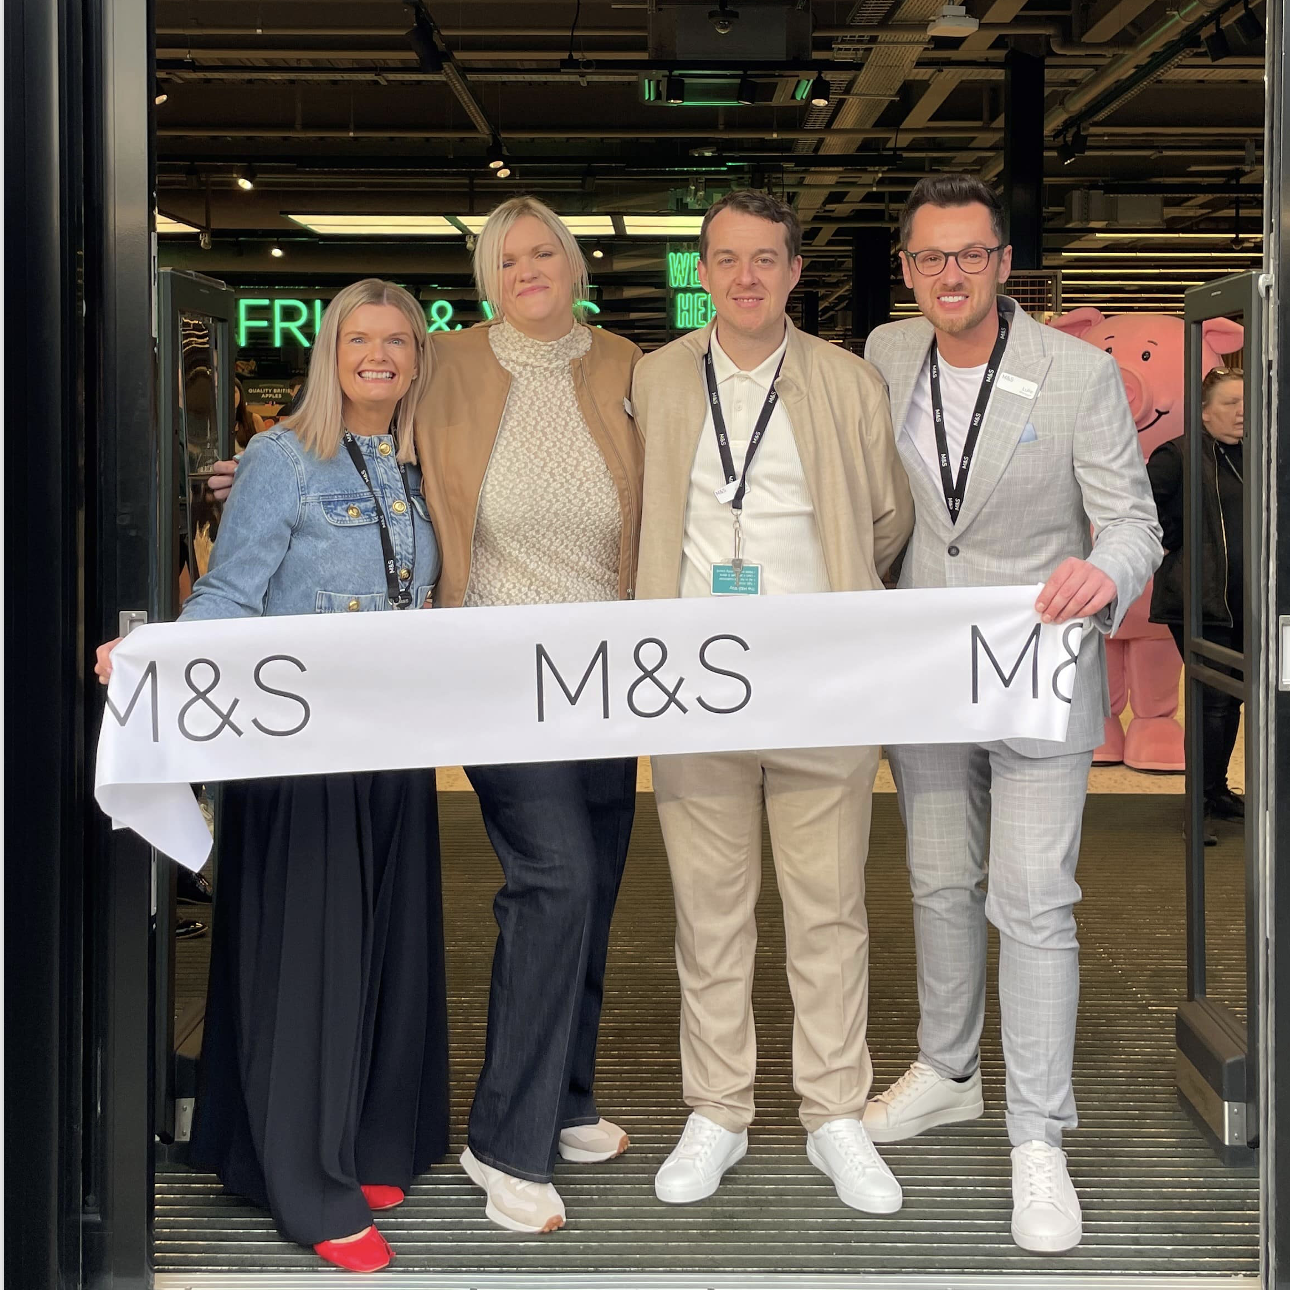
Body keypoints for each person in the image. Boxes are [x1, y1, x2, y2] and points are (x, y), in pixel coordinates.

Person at [96, 279, 449, 1273]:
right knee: (312, 966)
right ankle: (306, 1182)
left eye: (397, 340)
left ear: (419, 358)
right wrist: (156, 657)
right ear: (328, 350)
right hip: (301, 751)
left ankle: (372, 1140)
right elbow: (231, 590)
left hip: (393, 744)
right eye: (359, 338)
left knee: (383, 948)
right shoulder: (281, 458)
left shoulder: (416, 465)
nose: (378, 354)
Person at [860, 175, 1163, 1253]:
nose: (950, 275)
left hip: (1038, 673)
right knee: (940, 881)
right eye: (930, 258)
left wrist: (1102, 573)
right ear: (907, 269)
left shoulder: (1076, 373)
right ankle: (948, 1070)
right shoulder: (883, 359)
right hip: (926, 675)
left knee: (1034, 902)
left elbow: (1135, 524)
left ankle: (1039, 1135)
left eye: (970, 255)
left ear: (1002, 264)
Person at [630, 190, 914, 1214]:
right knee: (709, 914)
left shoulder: (846, 382)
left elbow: (886, 519)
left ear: (798, 273)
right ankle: (718, 1111)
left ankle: (834, 1110)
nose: (746, 277)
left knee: (829, 905)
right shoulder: (654, 379)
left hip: (821, 682)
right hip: (692, 684)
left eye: (766, 259)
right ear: (702, 271)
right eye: (726, 259)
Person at [414, 196, 643, 1234]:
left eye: (543, 249)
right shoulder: (445, 364)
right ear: (484, 279)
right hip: (498, 662)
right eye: (505, 258)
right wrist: (267, 476)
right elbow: (358, 428)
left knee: (597, 882)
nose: (527, 267)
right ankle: (504, 1138)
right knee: (555, 880)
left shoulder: (631, 364)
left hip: (613, 667)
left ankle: (567, 1097)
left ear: (574, 260)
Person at [1148, 365, 1246, 839]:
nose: (1242, 412)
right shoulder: (1177, 456)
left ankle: (1216, 791)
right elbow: (1143, 515)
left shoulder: (1258, 454)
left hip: (1247, 603)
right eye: (1231, 403)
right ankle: (1196, 806)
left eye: (1248, 402)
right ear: (1204, 413)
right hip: (1199, 601)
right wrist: (1181, 545)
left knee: (1232, 702)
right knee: (1212, 700)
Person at [232, 376, 263, 450]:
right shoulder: (214, 422)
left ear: (240, 394)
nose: (230, 396)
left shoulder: (254, 419)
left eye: (233, 392)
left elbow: (264, 451)